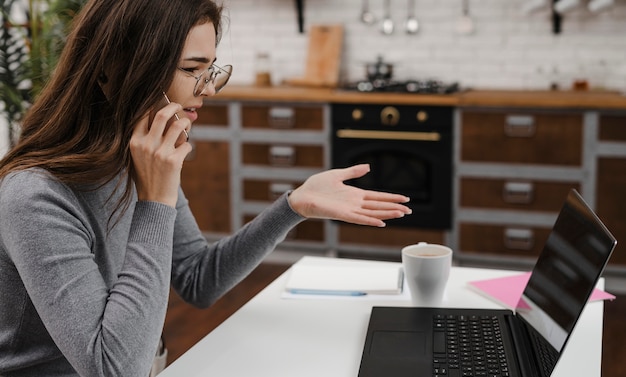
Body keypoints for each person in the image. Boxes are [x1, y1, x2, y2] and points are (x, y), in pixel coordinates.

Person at [0, 0, 411, 375]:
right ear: (113, 70)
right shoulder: (35, 196)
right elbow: (113, 367)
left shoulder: (138, 160)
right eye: (191, 70)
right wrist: (156, 199)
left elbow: (198, 279)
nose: (208, 88)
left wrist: (292, 206)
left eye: (209, 69)